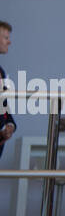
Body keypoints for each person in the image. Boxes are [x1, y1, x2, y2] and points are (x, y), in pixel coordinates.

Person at [0, 21, 16, 158]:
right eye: (6, 38)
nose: (9, 42)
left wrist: (10, 124)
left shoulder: (1, 71)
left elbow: (3, 104)